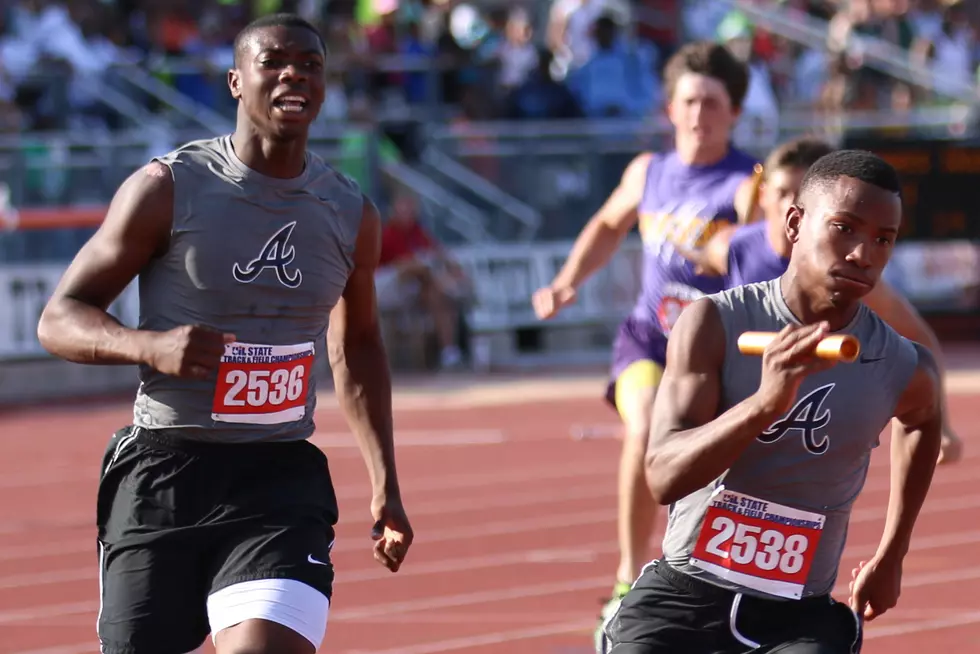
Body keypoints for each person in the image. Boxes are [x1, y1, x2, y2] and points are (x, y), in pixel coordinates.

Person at [36, 14, 413, 654]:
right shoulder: (167, 189)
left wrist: (387, 485)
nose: (294, 73)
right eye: (275, 61)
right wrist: (146, 345)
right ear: (237, 81)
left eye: (311, 64)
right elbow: (59, 318)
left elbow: (359, 346)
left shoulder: (350, 212)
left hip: (278, 480)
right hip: (164, 473)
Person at [602, 149, 943, 653]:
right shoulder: (712, 324)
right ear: (794, 222)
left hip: (798, 616)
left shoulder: (900, 363)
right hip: (686, 597)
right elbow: (663, 476)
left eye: (883, 239)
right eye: (845, 228)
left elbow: (921, 419)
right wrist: (765, 403)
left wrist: (893, 552)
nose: (863, 253)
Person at [531, 40, 760, 644]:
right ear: (669, 107)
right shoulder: (647, 172)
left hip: (714, 352)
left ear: (733, 111)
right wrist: (566, 282)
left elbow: (763, 254)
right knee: (644, 429)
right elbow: (608, 224)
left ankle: (714, 585)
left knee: (720, 472)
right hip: (647, 340)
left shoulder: (747, 183)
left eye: (712, 103)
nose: (698, 114)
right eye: (688, 101)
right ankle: (628, 577)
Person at [679, 136, 963, 465]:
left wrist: (943, 423)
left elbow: (920, 339)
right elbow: (701, 270)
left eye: (800, 193)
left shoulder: (852, 276)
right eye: (783, 192)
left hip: (805, 412)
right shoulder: (732, 247)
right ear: (765, 196)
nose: (789, 202)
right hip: (738, 398)